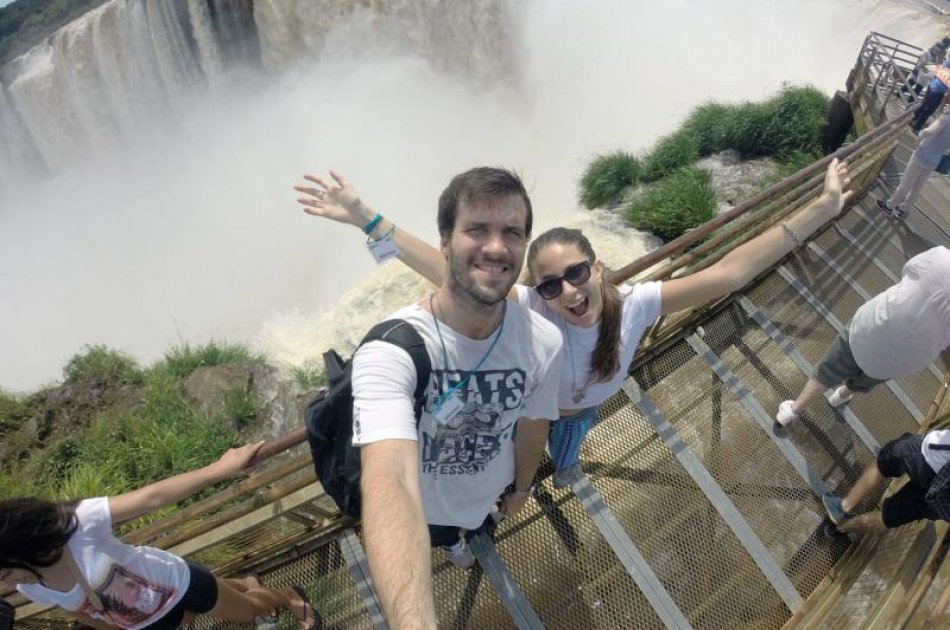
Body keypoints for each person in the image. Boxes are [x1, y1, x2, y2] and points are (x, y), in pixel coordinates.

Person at [295, 158, 853, 491]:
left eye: (577, 273)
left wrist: (823, 209)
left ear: (598, 268)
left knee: (567, 453)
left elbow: (730, 272)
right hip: (524, 419)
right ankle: (513, 488)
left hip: (582, 412)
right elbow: (448, 269)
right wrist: (367, 219)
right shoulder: (533, 308)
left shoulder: (634, 303)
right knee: (510, 468)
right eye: (550, 284)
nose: (567, 292)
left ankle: (560, 470)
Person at [303, 168, 562, 629]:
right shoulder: (390, 351)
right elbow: (391, 478)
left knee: (477, 522)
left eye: (512, 232)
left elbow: (532, 425)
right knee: (441, 534)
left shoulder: (542, 341)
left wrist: (522, 488)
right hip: (423, 508)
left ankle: (466, 535)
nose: (496, 247)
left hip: (490, 491)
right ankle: (453, 541)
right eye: (477, 229)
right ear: (444, 241)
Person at [0, 442, 318, 629]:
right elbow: (81, 612)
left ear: (18, 549)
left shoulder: (76, 524)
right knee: (215, 602)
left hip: (176, 582)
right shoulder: (28, 587)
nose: (7, 584)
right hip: (149, 621)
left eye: (4, 573)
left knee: (249, 611)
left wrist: (220, 469)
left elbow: (151, 497)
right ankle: (247, 583)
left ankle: (287, 595)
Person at [776, 246, 950, 426]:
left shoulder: (941, 256)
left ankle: (793, 410)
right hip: (906, 358)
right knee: (869, 377)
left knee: (830, 369)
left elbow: (908, 271)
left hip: (873, 325)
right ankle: (841, 395)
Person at [822, 428, 950, 536]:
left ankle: (842, 507)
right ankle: (841, 528)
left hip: (930, 459)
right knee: (891, 515)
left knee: (887, 458)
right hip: (944, 500)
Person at [878, 110, 950, 220]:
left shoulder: (946, 118)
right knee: (917, 187)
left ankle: (889, 206)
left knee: (905, 183)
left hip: (922, 154)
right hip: (934, 160)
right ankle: (902, 209)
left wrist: (920, 136)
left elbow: (929, 131)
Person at [910, 57, 950, 133]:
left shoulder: (947, 61)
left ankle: (912, 119)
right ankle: (916, 127)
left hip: (933, 85)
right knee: (929, 110)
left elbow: (936, 72)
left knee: (924, 104)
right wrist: (945, 100)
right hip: (939, 90)